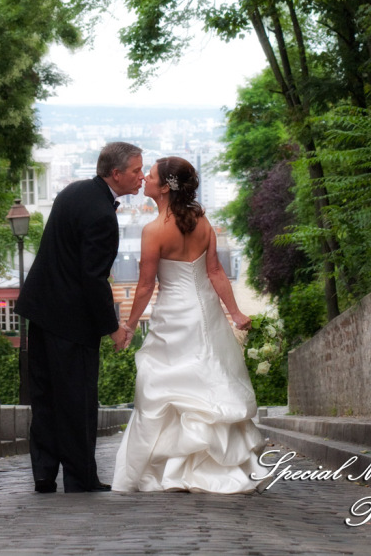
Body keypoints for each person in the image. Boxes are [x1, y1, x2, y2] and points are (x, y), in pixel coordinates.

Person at [112, 156, 265, 493]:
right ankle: (213, 464)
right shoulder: (202, 221)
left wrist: (129, 325)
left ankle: (173, 471)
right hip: (205, 312)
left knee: (165, 385)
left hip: (173, 316)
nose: (146, 180)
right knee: (210, 379)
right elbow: (214, 272)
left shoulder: (153, 231)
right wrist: (235, 313)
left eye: (150, 175)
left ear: (165, 187)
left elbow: (146, 285)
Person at [15, 142, 142, 493]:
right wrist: (113, 327)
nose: (141, 177)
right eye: (136, 171)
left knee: (45, 397)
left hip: (40, 309)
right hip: (71, 320)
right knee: (76, 399)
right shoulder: (102, 213)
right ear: (115, 173)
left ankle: (43, 474)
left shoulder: (73, 191)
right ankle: (80, 476)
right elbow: (93, 277)